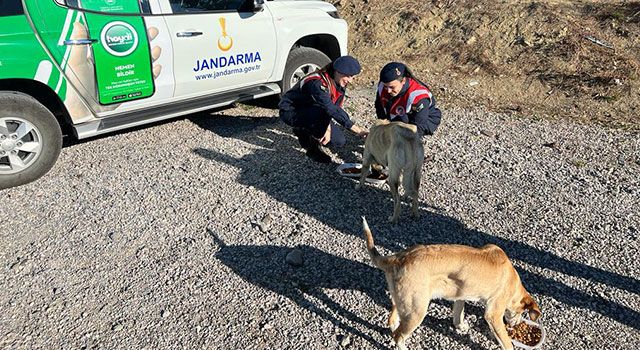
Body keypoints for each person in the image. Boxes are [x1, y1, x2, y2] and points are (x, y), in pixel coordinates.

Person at [279, 55, 368, 163]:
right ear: (338, 71)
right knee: (320, 120)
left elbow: (335, 108)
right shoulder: (317, 83)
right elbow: (330, 108)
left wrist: (327, 126)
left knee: (339, 141)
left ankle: (311, 129)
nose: (351, 81)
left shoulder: (338, 82)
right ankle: (310, 144)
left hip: (315, 110)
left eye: (352, 77)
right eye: (348, 76)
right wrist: (357, 130)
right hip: (292, 111)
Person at [375, 62, 442, 136]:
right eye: (385, 86)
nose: (388, 91)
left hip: (424, 119)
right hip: (400, 114)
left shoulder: (418, 96)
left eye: (392, 87)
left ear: (403, 81)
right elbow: (380, 108)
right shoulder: (382, 86)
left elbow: (418, 128)